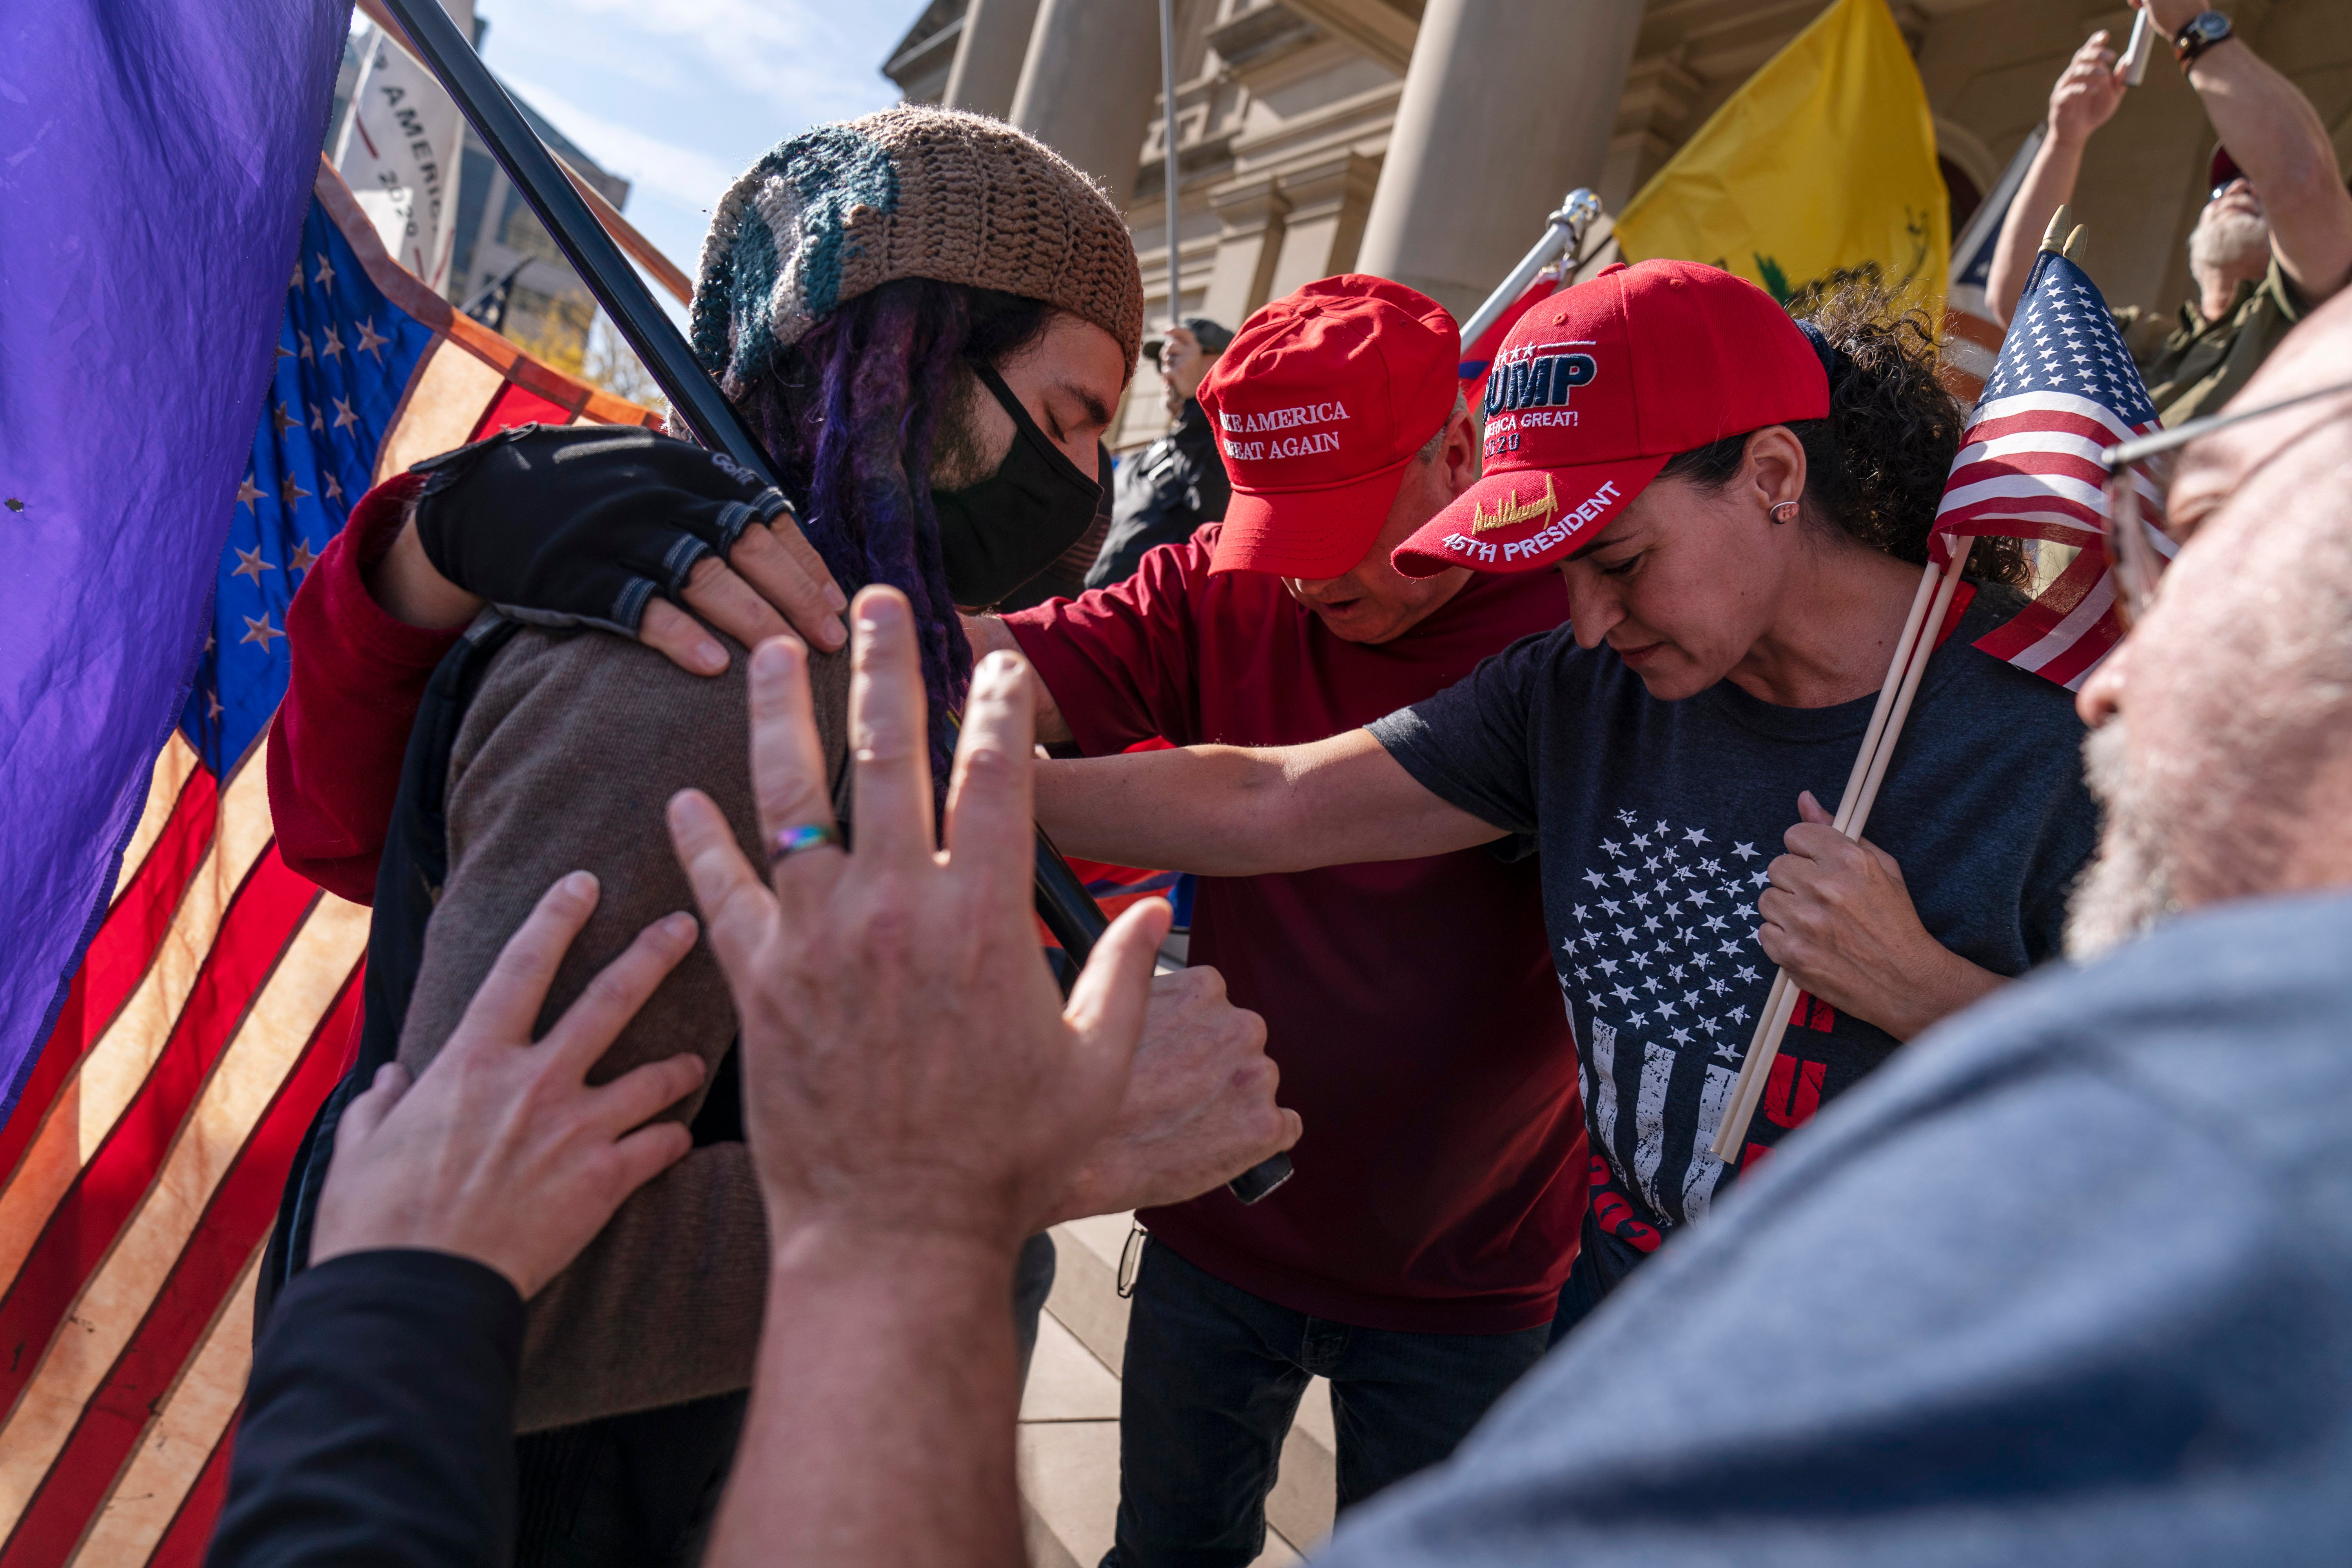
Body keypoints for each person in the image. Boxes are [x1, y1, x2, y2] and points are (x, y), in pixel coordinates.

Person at [261, 106, 1295, 1564]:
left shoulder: (839, 646)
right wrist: (1020, 1152)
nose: (1080, 492)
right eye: (1064, 414)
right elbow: (484, 1281)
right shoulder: (713, 664)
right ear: (905, 356)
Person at [1030, 260, 2100, 1336]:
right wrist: (975, 786)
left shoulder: (2064, 736)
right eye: (1561, 574)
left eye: (1618, 561)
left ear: (1774, 473)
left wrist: (1925, 989)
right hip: (1613, 1335)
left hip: (1891, 1386)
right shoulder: (1578, 689)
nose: (1586, 622)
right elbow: (1275, 799)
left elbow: (2223, 1104)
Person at [966, 274, 1584, 1561]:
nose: (1302, 580)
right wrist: (816, 637)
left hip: (1466, 1279)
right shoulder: (1228, 582)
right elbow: (1007, 664)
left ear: (1458, 454)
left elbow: (1261, 805)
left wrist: (969, 786)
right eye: (1274, 529)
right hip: (1219, 1225)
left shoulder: (1582, 624)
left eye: (1343, 522)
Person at [1984, 0, 2352, 424]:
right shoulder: (2142, 345)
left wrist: (2192, 28)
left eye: (2258, 180)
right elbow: (2023, 295)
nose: (2241, 185)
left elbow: (2301, 184)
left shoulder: (2302, 316)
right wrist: (2066, 137)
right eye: (2223, 184)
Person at [1085, 316, 1234, 589]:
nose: (1167, 370)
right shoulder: (1139, 459)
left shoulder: (1229, 454)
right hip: (1093, 616)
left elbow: (1215, 505)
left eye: (1180, 357)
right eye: (1165, 360)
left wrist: (1203, 395)